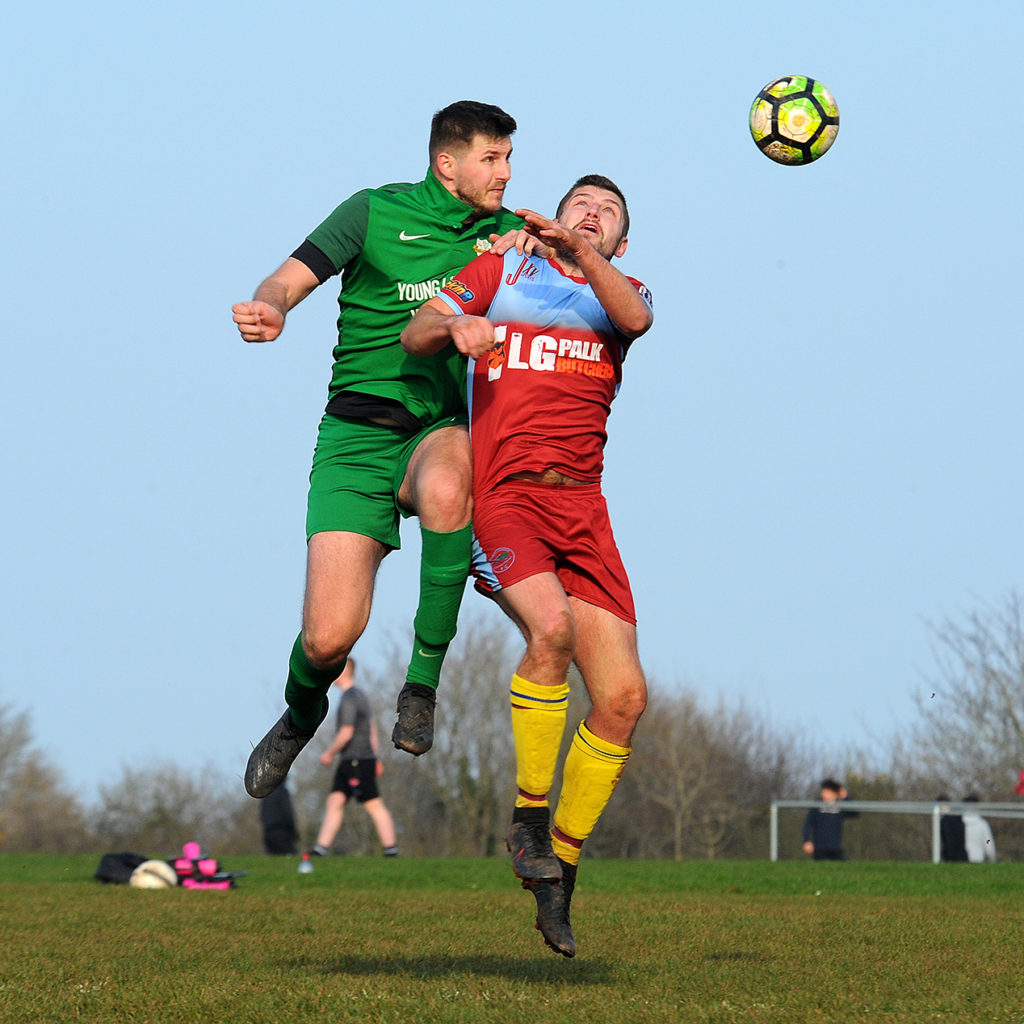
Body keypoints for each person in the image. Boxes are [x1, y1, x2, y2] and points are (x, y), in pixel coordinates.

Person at [233, 101, 525, 798]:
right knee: (328, 642)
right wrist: (271, 307)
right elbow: (287, 277)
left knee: (453, 483)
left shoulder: (509, 233)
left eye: (510, 157)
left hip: (437, 426)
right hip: (356, 437)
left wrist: (537, 250)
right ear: (446, 163)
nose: (506, 174)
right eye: (492, 159)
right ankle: (300, 717)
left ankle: (421, 686)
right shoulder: (370, 211)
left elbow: (570, 267)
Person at [401, 174, 654, 957]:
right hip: (507, 497)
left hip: (585, 507)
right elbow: (417, 331)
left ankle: (559, 877)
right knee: (549, 634)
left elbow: (636, 318)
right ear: (553, 214)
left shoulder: (625, 291)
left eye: (608, 212)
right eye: (582, 201)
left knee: (623, 698)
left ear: (621, 241)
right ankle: (527, 821)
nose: (592, 212)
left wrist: (584, 255)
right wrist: (456, 329)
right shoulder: (503, 269)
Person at [307, 659, 398, 858]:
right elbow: (372, 728)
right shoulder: (360, 695)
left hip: (356, 759)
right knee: (335, 801)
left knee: (373, 804)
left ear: (344, 672)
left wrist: (329, 753)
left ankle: (391, 850)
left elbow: (346, 732)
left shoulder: (349, 699)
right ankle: (320, 850)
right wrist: (376, 757)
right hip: (354, 760)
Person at [801, 778, 859, 860]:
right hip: (819, 849)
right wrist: (806, 840)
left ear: (834, 793)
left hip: (835, 848)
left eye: (828, 791)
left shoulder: (840, 806)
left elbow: (855, 813)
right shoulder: (816, 805)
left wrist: (846, 797)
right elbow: (808, 824)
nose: (824, 793)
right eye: (823, 791)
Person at [259, 783, 299, 855]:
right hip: (282, 831)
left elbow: (262, 812)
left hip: (268, 831)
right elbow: (287, 811)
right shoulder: (283, 792)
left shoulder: (266, 792)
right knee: (290, 856)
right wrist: (292, 830)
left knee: (273, 857)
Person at [962, 793, 997, 863]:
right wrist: (992, 857)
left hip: (960, 860)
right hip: (978, 858)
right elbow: (988, 841)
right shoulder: (982, 824)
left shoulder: (958, 824)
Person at [936, 794, 967, 863]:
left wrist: (948, 857)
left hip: (954, 858)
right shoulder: (958, 817)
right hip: (962, 857)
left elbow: (949, 841)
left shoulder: (946, 821)